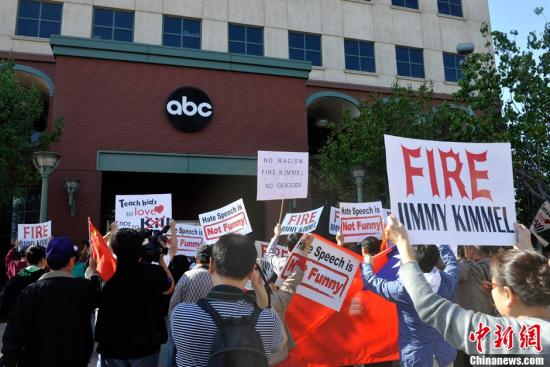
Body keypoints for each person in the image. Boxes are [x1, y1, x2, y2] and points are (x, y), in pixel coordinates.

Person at [386, 216, 550, 361]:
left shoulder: (501, 336)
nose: (490, 291)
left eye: (493, 286)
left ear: (507, 294)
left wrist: (403, 246)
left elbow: (429, 306)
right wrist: (526, 246)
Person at [171, 233, 285, 367]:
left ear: (211, 264)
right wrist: (260, 289)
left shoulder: (182, 314)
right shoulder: (268, 319)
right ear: (250, 273)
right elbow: (280, 343)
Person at [1, 237, 99, 367]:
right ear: (71, 261)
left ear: (47, 261)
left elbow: (13, 336)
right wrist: (93, 271)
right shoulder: (84, 289)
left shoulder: (30, 292)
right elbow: (99, 298)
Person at [362, 240, 460, 367]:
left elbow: (370, 281)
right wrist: (440, 240)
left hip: (417, 358)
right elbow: (453, 263)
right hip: (445, 354)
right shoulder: (448, 282)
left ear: (412, 264)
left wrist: (367, 264)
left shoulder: (403, 289)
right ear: (436, 259)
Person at [94, 228, 175, 367]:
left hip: (112, 348)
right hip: (144, 347)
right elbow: (169, 288)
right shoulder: (154, 274)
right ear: (139, 249)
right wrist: (160, 260)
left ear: (115, 250)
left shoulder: (108, 272)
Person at [269, 234, 312, 367]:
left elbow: (269, 255)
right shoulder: (314, 263)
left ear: (287, 247)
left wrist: (276, 235)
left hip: (287, 312)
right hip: (306, 313)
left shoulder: (281, 262)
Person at [0, 245, 47, 322]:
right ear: (43, 260)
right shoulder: (45, 280)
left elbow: (3, 306)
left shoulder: (14, 280)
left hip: (15, 323)